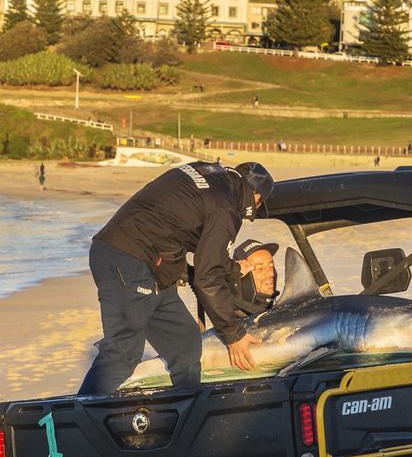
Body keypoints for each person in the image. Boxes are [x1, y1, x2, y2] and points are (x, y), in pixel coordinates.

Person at [78, 161, 274, 396]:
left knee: (185, 342)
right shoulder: (227, 207)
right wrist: (233, 334)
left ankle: (189, 409)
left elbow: (198, 241)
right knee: (123, 351)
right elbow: (207, 278)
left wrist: (231, 269)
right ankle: (73, 423)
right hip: (128, 259)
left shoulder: (210, 174)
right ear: (256, 196)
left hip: (145, 263)